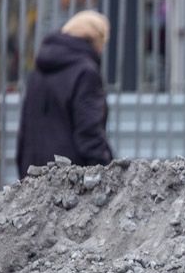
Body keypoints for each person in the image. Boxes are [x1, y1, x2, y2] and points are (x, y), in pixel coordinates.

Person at [16, 10, 113, 178]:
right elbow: (90, 133)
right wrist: (106, 175)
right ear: (96, 40)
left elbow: (25, 130)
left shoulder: (38, 71)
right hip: (71, 180)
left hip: (32, 177)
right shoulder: (86, 73)